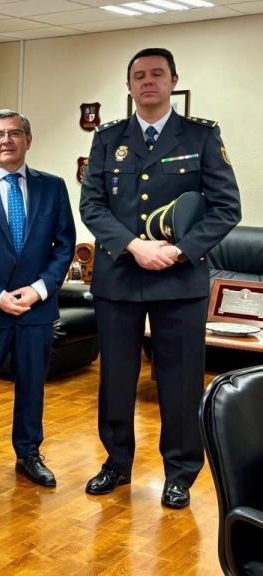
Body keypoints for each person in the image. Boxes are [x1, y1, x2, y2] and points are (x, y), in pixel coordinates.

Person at [80, 47, 240, 509]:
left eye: (157, 74)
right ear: (128, 86)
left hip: (180, 280)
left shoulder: (202, 136)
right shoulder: (109, 138)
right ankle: (115, 463)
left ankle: (180, 472)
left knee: (180, 378)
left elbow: (227, 208)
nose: (147, 82)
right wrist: (134, 246)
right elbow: (92, 205)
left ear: (173, 81)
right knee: (116, 379)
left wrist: (179, 250)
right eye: (138, 75)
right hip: (120, 279)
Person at [0, 110, 76, 487]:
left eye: (14, 133)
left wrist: (39, 289)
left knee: (31, 385)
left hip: (35, 309)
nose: (6, 140)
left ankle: (28, 454)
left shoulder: (53, 187)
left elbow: (64, 245)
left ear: (28, 139)